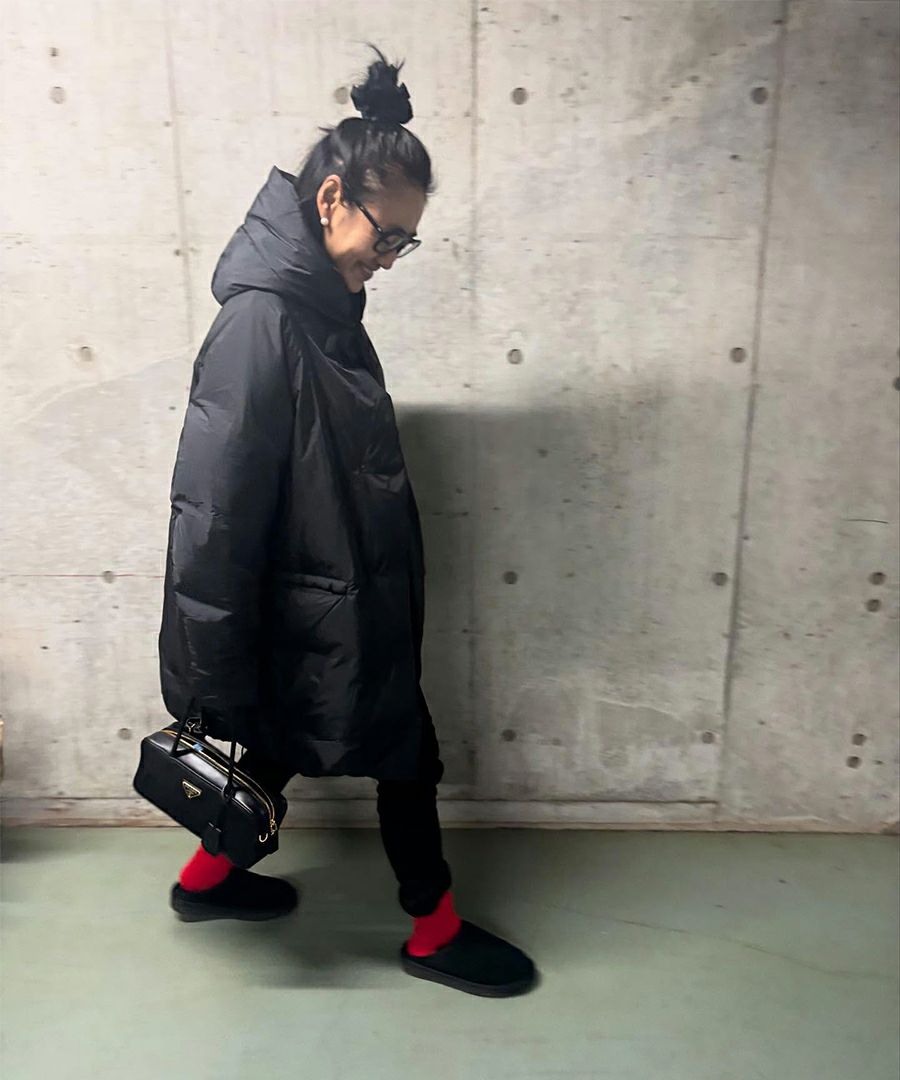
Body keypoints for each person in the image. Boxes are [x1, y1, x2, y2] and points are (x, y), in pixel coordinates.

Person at [157, 48, 536, 998]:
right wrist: (211, 673)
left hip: (330, 598)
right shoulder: (264, 323)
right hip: (314, 606)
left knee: (286, 741)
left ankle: (205, 880)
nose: (392, 257)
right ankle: (432, 930)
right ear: (331, 199)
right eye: (387, 234)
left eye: (408, 242)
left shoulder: (324, 309)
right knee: (406, 754)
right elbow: (213, 510)